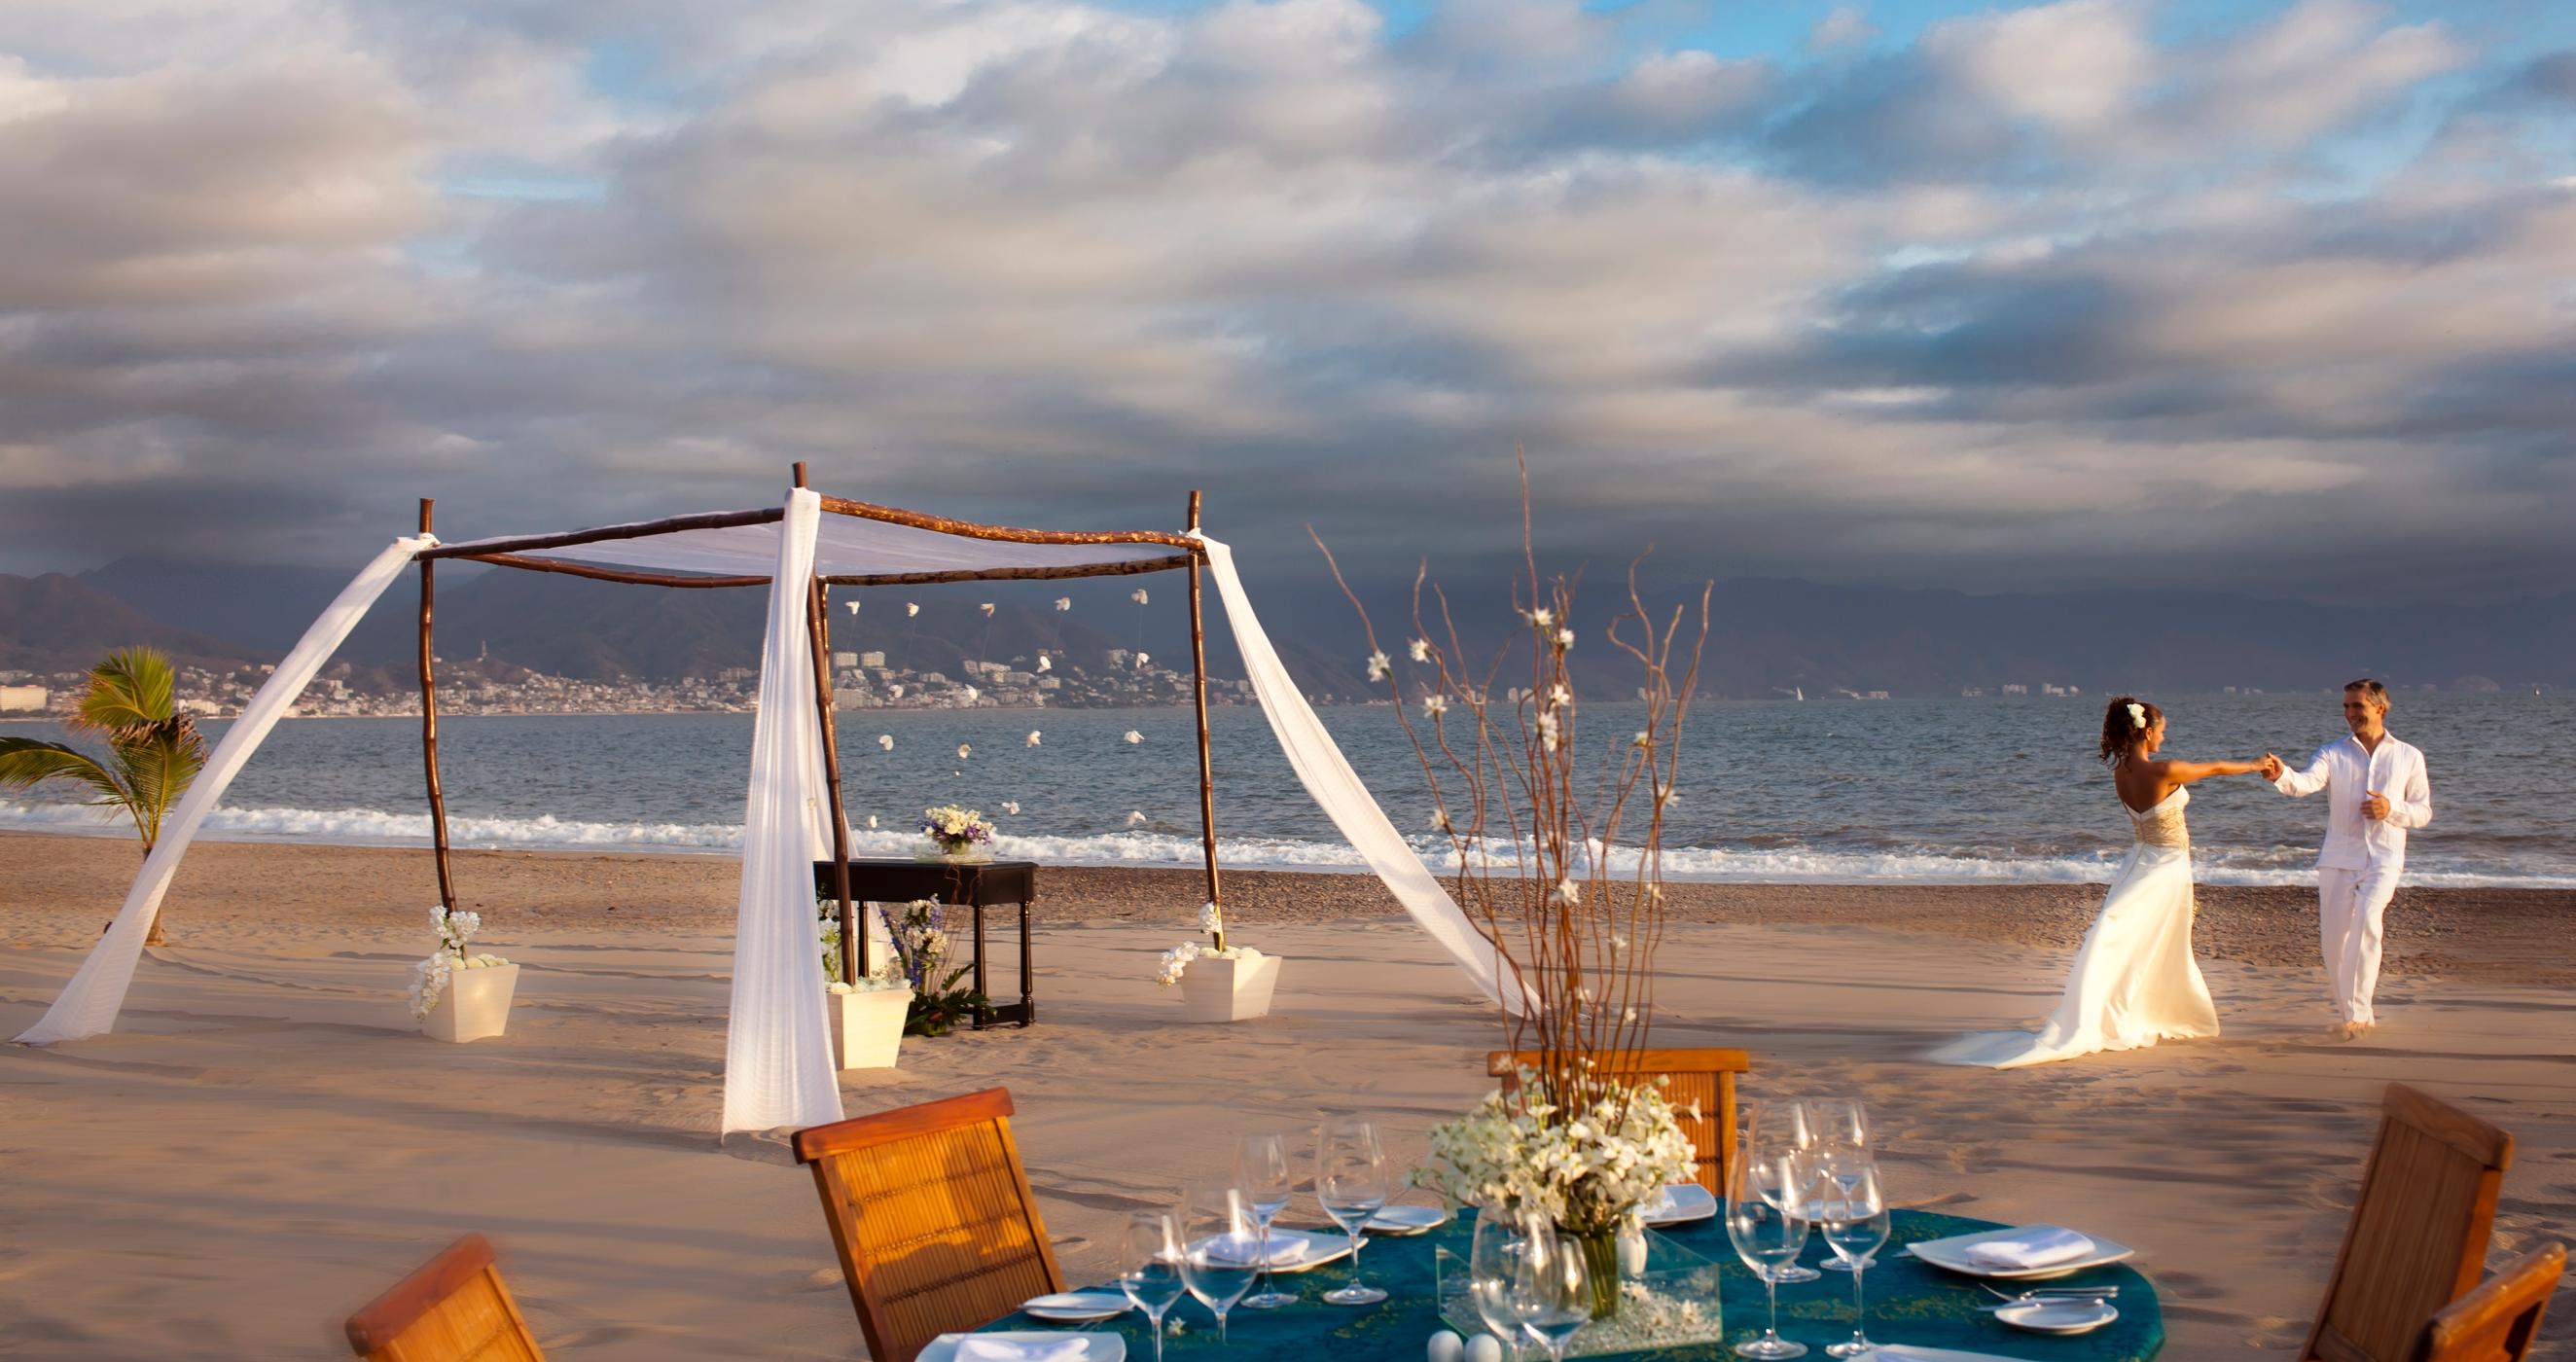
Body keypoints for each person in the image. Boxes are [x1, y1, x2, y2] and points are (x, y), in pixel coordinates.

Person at [1935, 697, 2271, 1068]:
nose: (2163, 737)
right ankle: (2130, 1013)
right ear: (2146, 731)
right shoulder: (2164, 770)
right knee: (2153, 939)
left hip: (2139, 860)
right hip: (2166, 864)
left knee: (2145, 937)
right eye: (2162, 730)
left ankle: (2141, 1009)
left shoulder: (2121, 773)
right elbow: (2217, 768)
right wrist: (2256, 765)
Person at [2261, 678, 2431, 1038]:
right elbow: (2305, 783)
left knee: (2368, 921)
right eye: (2346, 707)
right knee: (2335, 941)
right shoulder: (2332, 753)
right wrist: (2281, 775)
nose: (2350, 714)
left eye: (2357, 706)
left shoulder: (2408, 756)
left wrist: (2391, 808)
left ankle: (2358, 1013)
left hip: (2384, 857)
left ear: (2380, 708)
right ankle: (2352, 1013)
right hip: (2338, 856)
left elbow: (2423, 811)